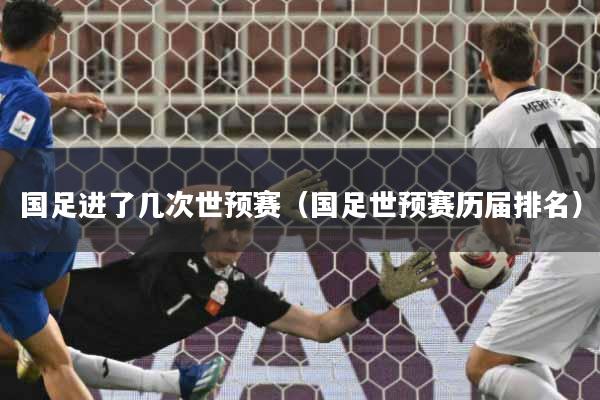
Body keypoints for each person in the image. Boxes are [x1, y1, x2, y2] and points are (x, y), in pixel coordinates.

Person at [4, 174, 439, 399]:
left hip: (51, 364)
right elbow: (186, 197)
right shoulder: (176, 242)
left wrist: (380, 296)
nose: (235, 237)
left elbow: (321, 328)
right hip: (36, 317)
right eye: (229, 224)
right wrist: (261, 199)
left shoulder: (239, 291)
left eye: (244, 229)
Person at [467, 22, 600, 399]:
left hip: (568, 261)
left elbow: (492, 220)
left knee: (481, 366)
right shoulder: (583, 111)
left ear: (485, 68)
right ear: (537, 65)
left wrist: (506, 241)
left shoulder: (492, 128)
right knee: (519, 355)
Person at [0, 1, 110, 399]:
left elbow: (19, 106)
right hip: (24, 253)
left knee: (51, 355)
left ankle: (30, 337)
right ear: (49, 41)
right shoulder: (26, 100)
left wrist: (63, 99)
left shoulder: (21, 96)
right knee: (57, 363)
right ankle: (33, 336)